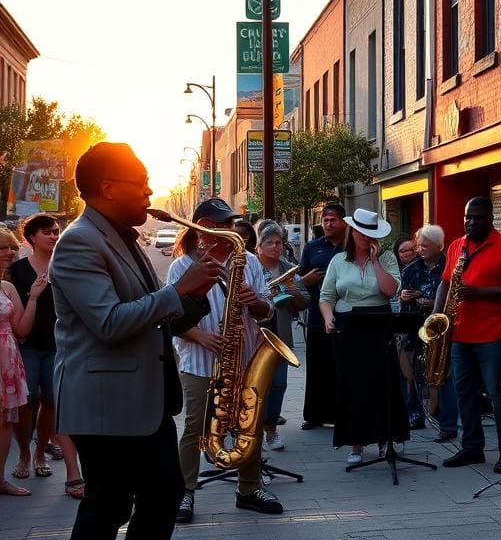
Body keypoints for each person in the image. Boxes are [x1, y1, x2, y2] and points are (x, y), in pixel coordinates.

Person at [48, 142, 219, 540]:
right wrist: (179, 290)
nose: (148, 192)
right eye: (141, 183)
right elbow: (109, 323)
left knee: (163, 493)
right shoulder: (78, 241)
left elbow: (154, 315)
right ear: (108, 187)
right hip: (106, 404)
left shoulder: (123, 237)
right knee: (109, 505)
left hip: (140, 401)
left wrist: (195, 296)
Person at [170, 198, 283, 524]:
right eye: (221, 224)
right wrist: (201, 337)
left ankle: (249, 489)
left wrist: (255, 302)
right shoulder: (183, 266)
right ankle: (185, 491)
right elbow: (171, 316)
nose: (229, 229)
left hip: (245, 357)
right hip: (200, 361)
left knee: (251, 425)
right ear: (203, 227)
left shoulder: (248, 260)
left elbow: (268, 311)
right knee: (195, 427)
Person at [435, 197, 501, 474]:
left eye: (477, 217)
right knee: (464, 391)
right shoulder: (456, 245)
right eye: (468, 217)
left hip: (493, 335)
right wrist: (437, 315)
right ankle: (472, 447)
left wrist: (480, 293)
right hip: (460, 333)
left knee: (497, 394)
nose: (471, 222)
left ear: (489, 218)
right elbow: (446, 281)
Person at [318, 208, 408, 464]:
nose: (367, 239)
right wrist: (327, 317)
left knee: (383, 383)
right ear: (353, 232)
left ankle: (385, 441)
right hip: (347, 327)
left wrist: (376, 261)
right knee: (352, 386)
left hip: (378, 324)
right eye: (362, 234)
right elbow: (326, 297)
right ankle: (355, 444)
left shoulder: (387, 257)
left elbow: (390, 290)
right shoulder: (338, 261)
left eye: (371, 235)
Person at [9, 214, 84, 499]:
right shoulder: (17, 271)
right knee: (26, 402)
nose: (54, 236)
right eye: (47, 232)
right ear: (31, 238)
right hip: (27, 344)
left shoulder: (66, 266)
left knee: (55, 403)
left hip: (59, 345)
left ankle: (47, 457)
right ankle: (25, 455)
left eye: (56, 232)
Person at [398, 224, 459, 441]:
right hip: (415, 327)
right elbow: (402, 303)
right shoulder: (411, 269)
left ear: (439, 246)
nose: (421, 249)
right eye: (419, 245)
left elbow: (454, 297)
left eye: (426, 245)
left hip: (441, 329)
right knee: (412, 374)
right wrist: (405, 297)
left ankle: (447, 422)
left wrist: (433, 303)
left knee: (442, 376)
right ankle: (414, 415)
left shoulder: (448, 265)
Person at [255, 219, 308, 452]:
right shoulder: (251, 266)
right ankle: (252, 431)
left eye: (279, 242)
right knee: (257, 387)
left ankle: (271, 430)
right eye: (270, 243)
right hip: (256, 336)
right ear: (259, 246)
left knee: (279, 385)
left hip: (280, 335)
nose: (276, 247)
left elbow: (305, 301)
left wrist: (291, 289)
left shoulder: (288, 268)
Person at [298, 203, 346, 429]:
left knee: (340, 365)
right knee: (317, 366)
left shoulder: (351, 245)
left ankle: (340, 414)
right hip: (317, 316)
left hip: (346, 315)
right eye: (325, 220)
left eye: (333, 220)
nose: (328, 224)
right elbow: (299, 279)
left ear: (343, 222)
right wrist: (307, 280)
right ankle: (314, 415)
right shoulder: (312, 247)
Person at [0, 226, 32, 497]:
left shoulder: (8, 287)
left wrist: (33, 298)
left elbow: (21, 330)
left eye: (12, 247)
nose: (9, 252)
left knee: (5, 422)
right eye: (3, 247)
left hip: (8, 358)